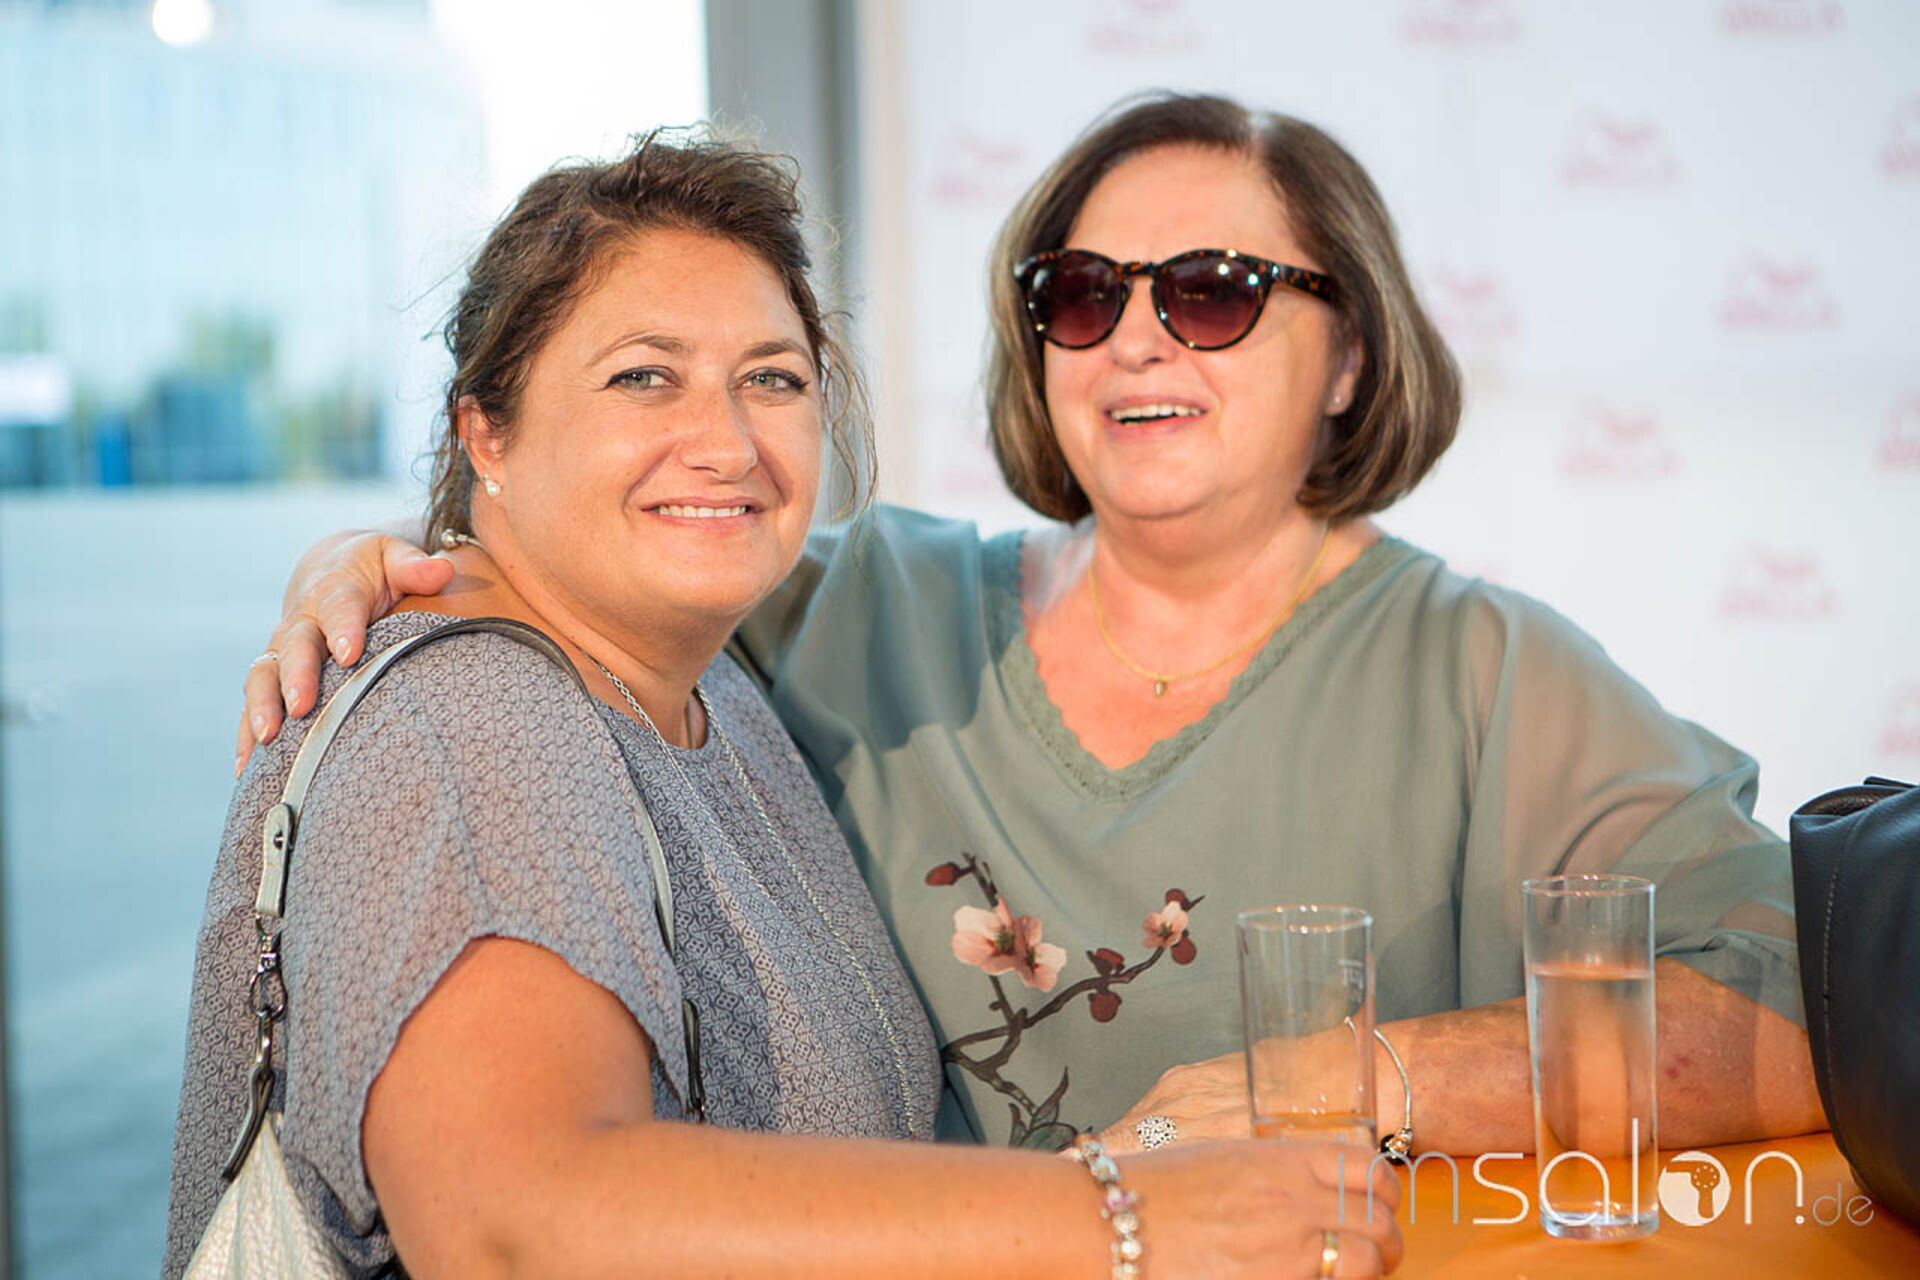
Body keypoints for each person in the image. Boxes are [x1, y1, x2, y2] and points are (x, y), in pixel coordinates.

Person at [237, 94, 1824, 1164]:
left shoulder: (1488, 676)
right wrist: (381, 565)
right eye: (1082, 292)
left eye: (1213, 291)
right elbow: (590, 562)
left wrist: (1329, 1083)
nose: (1136, 338)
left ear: (1351, 355)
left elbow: (1804, 1011)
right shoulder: (849, 611)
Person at [168, 129, 1404, 1279]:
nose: (724, 443)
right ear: (486, 433)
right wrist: (1126, 1216)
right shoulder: (474, 718)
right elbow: (516, 1220)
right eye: (644, 376)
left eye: (770, 377)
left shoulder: (716, 685)